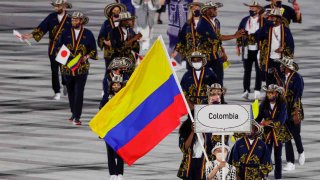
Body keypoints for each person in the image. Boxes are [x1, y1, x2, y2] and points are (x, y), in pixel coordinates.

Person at [21, 0, 72, 100]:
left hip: (64, 48)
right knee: (54, 70)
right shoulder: (51, 17)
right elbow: (41, 28)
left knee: (64, 69)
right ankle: (57, 91)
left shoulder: (70, 19)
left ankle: (65, 83)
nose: (56, 8)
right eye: (55, 6)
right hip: (53, 46)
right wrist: (29, 36)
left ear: (64, 7)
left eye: (58, 6)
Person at [55, 11, 97, 125]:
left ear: (82, 21)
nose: (74, 21)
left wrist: (86, 56)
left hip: (81, 68)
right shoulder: (65, 33)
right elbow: (58, 47)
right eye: (73, 20)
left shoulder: (88, 34)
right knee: (71, 92)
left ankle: (77, 117)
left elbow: (93, 51)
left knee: (79, 92)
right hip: (67, 68)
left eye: (76, 20)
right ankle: (73, 113)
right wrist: (59, 52)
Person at [197, 1, 245, 86]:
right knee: (204, 80)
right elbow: (217, 37)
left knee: (219, 79)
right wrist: (234, 36)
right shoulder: (202, 24)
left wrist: (223, 52)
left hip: (216, 55)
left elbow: (217, 41)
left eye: (216, 8)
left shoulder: (217, 22)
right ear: (206, 11)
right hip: (206, 57)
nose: (216, 10)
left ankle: (220, 98)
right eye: (214, 8)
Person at [275, 57, 305, 171]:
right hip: (284, 110)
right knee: (286, 136)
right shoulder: (282, 76)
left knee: (296, 134)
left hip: (293, 109)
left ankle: (301, 151)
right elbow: (282, 89)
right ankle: (290, 162)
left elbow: (298, 95)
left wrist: (296, 112)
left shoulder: (297, 78)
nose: (280, 67)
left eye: (282, 65)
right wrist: (277, 77)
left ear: (287, 67)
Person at [256, 84, 292, 179]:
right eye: (268, 93)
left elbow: (282, 119)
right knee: (266, 155)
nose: (269, 95)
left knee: (278, 156)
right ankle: (264, 176)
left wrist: (268, 122)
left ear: (276, 93)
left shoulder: (282, 104)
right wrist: (253, 123)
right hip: (267, 133)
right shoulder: (263, 104)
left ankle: (278, 177)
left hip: (278, 132)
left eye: (272, 93)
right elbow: (259, 117)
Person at [257, 8, 294, 86]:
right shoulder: (267, 28)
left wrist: (283, 49)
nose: (271, 19)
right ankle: (269, 96)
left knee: (280, 80)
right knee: (269, 80)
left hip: (280, 60)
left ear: (279, 18)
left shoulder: (285, 30)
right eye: (270, 17)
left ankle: (280, 96)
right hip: (269, 59)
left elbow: (291, 45)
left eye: (273, 17)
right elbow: (257, 36)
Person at [98, 2, 127, 100]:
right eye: (114, 10)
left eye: (118, 10)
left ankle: (120, 90)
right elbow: (101, 36)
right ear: (111, 12)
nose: (116, 12)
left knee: (121, 71)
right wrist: (106, 42)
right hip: (109, 52)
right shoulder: (106, 23)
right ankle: (105, 90)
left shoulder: (124, 22)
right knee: (108, 71)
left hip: (121, 52)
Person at [236, 1, 264, 100]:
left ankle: (257, 90)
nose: (251, 9)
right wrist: (238, 46)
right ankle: (246, 90)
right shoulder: (245, 20)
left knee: (259, 70)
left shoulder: (263, 21)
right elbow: (239, 32)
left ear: (258, 9)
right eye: (250, 7)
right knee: (247, 71)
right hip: (247, 49)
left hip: (259, 49)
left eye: (253, 8)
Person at [177, 114, 213, 180]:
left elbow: (212, 149)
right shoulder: (185, 130)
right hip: (189, 163)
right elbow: (184, 148)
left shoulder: (208, 131)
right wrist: (192, 132)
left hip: (202, 163)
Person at [105, 75, 127, 180]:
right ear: (111, 85)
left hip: (121, 128)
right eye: (114, 84)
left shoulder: (125, 97)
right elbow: (101, 113)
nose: (116, 86)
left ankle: (120, 173)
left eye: (118, 84)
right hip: (109, 128)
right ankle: (112, 173)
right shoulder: (106, 97)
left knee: (120, 151)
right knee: (110, 152)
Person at [172, 2, 204, 69]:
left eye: (198, 8)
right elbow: (181, 39)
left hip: (203, 53)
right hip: (190, 53)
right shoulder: (187, 25)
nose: (196, 10)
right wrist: (176, 51)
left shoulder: (206, 23)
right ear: (191, 10)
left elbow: (213, 38)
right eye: (194, 9)